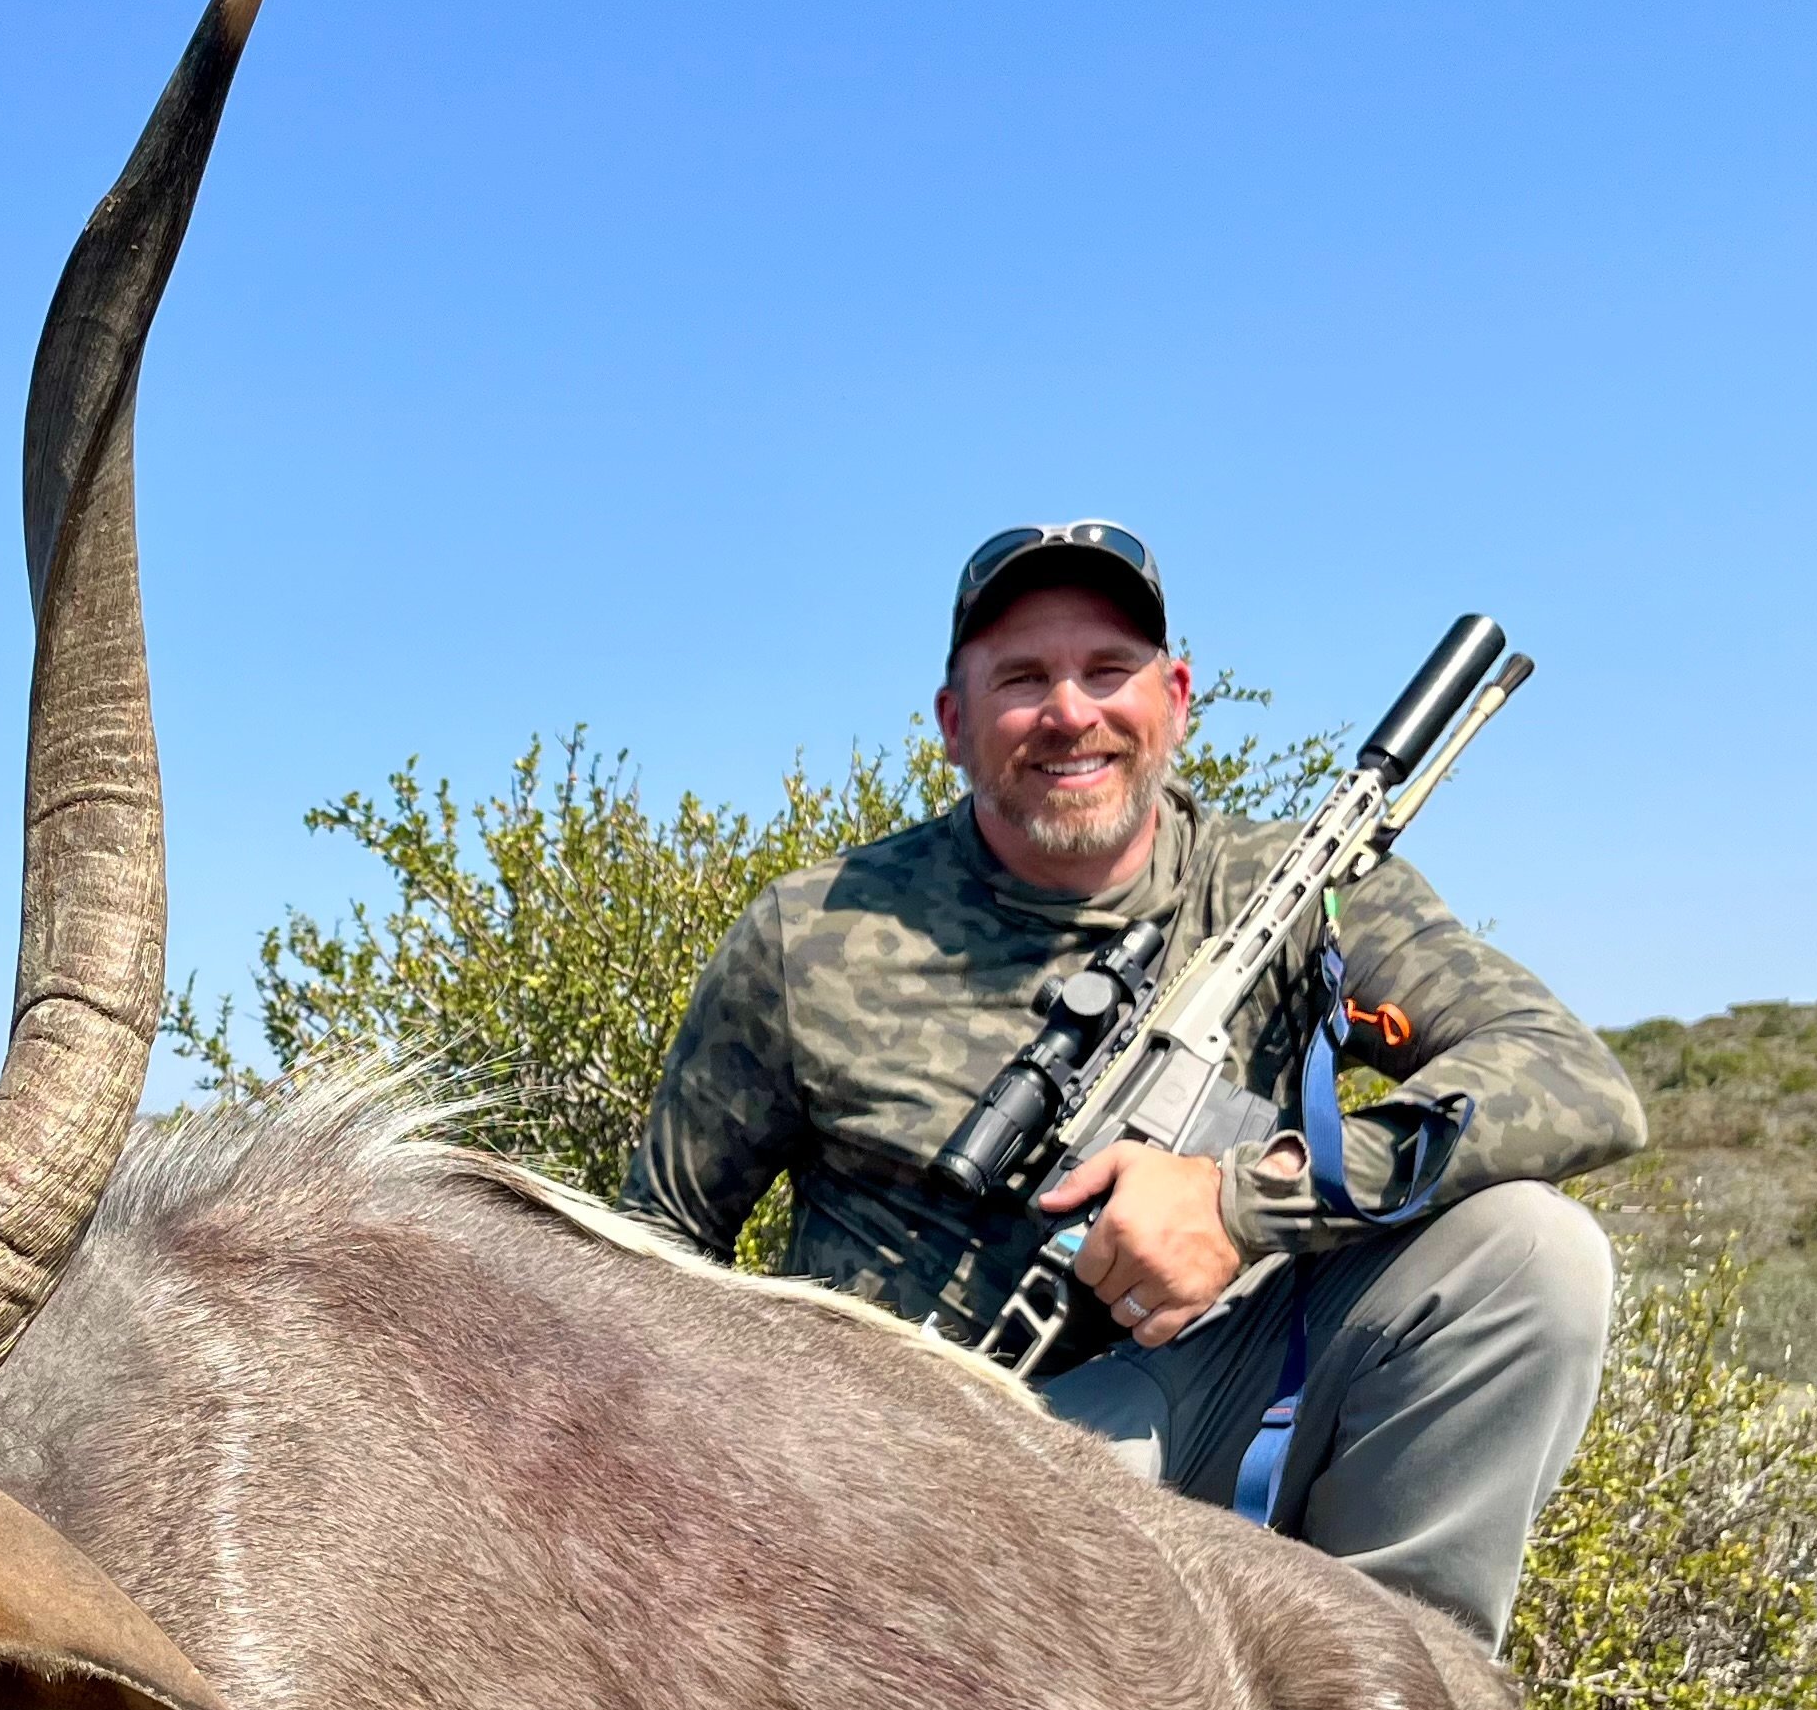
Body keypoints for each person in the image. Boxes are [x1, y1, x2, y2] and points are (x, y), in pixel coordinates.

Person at [622, 521, 1646, 1648]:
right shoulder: (810, 932)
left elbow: (1572, 1079)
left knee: (1531, 1252)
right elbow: (655, 1243)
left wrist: (1238, 1201)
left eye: (1109, 670)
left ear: (1176, 696)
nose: (1071, 713)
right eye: (1022, 679)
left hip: (1203, 1407)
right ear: (953, 724)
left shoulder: (1293, 887)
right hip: (901, 1482)